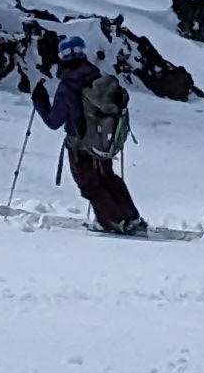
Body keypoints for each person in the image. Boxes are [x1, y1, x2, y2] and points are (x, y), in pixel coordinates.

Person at [36, 34, 145, 233]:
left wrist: (40, 102)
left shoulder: (67, 87)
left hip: (79, 145)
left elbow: (53, 121)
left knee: (90, 186)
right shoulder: (96, 77)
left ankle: (111, 222)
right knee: (108, 177)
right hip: (101, 141)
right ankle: (132, 218)